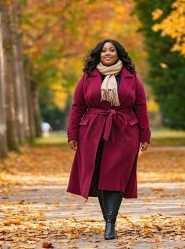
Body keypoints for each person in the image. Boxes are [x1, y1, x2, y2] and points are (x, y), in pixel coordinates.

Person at [66, 39, 151, 240]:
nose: (107, 53)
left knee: (115, 175)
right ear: (98, 54)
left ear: (119, 54)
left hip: (124, 131)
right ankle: (108, 220)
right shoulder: (88, 76)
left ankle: (110, 223)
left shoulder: (131, 77)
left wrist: (145, 133)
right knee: (97, 176)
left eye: (112, 50)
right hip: (92, 132)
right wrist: (73, 133)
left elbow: (141, 106)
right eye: (103, 50)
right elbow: (78, 106)